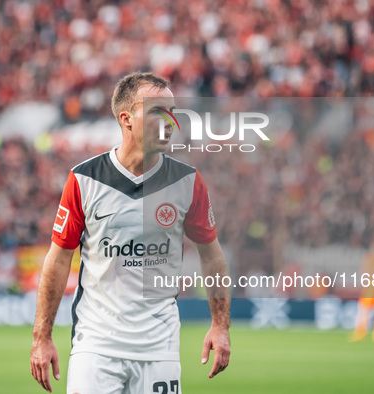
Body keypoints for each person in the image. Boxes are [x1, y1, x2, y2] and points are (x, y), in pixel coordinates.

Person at [30, 72, 231, 393]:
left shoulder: (187, 181)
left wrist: (220, 326)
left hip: (159, 347)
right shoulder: (84, 179)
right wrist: (42, 337)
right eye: (157, 111)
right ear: (126, 119)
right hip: (96, 346)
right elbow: (57, 260)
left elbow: (212, 255)